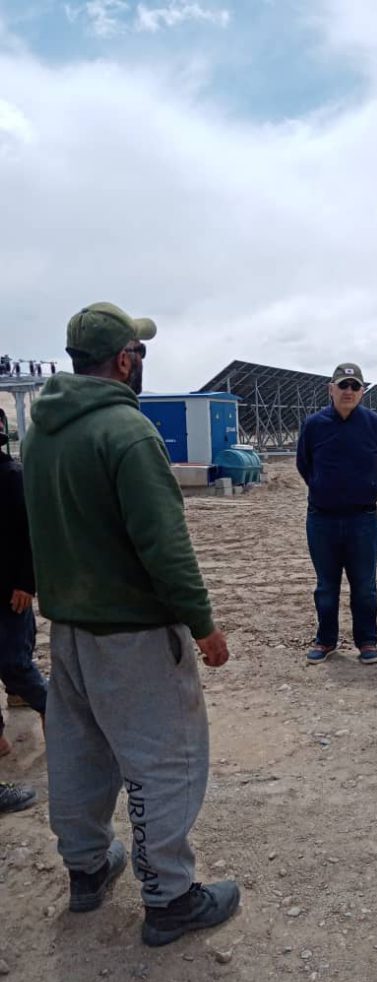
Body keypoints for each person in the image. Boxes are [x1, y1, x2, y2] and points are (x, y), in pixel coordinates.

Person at [22, 301, 240, 946]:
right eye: (138, 351)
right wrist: (202, 624)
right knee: (164, 759)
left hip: (68, 630)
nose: (141, 361)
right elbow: (164, 546)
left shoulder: (40, 432)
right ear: (124, 360)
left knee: (79, 753)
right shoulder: (128, 432)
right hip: (134, 634)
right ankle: (170, 897)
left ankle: (87, 869)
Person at [296, 362, 377, 665]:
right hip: (322, 519)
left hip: (362, 519)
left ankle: (367, 641)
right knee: (326, 586)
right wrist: (322, 487)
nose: (349, 391)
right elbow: (304, 464)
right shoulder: (314, 425)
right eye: (343, 385)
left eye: (355, 386)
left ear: (362, 391)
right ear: (331, 389)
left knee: (364, 586)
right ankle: (326, 640)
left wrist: (369, 490)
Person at [0, 428, 48, 756]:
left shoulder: (11, 477)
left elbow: (33, 532)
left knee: (14, 662)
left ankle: (50, 706)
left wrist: (27, 582)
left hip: (10, 589)